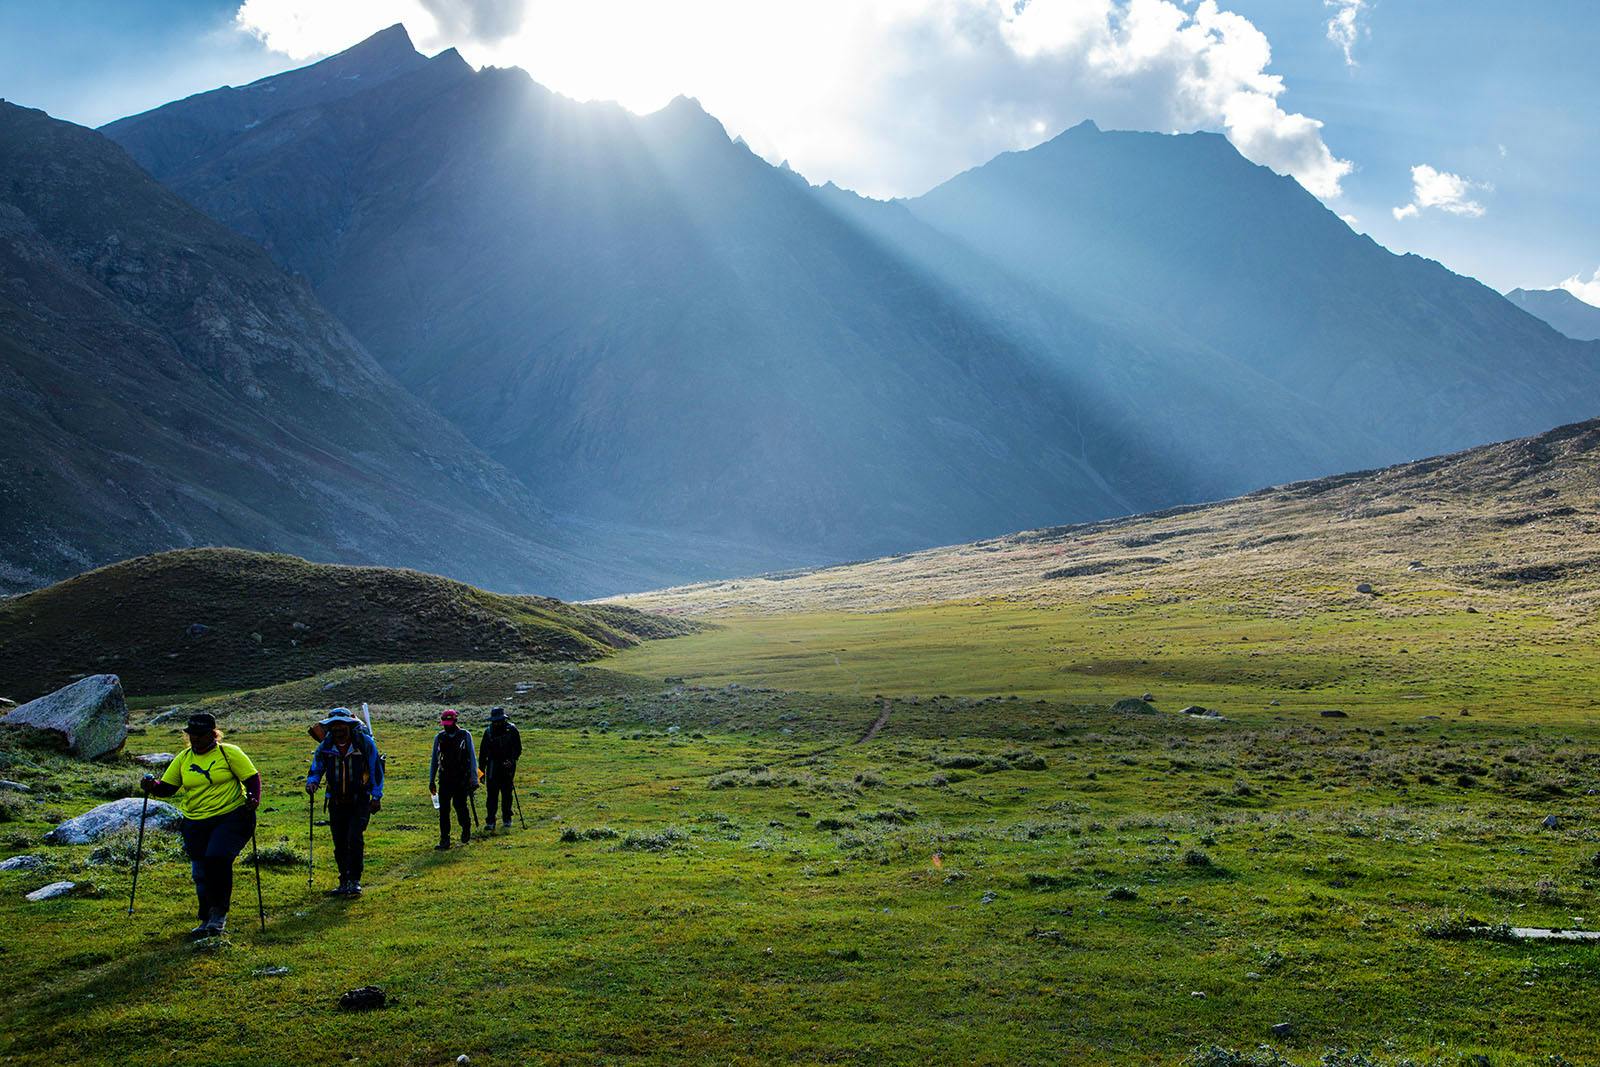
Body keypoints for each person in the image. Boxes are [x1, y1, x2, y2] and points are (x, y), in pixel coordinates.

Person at [139, 712, 261, 938]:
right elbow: (168, 788)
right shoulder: (184, 758)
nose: (195, 738)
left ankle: (218, 916)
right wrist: (151, 786)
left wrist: (253, 798)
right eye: (191, 734)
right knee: (200, 872)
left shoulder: (229, 753)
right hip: (195, 821)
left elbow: (252, 778)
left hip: (230, 816)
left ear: (213, 734)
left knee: (217, 858)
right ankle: (205, 918)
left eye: (201, 734)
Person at [305, 707, 384, 895]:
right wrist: (312, 783)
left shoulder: (364, 743)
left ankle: (354, 880)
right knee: (339, 842)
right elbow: (316, 768)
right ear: (330, 727)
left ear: (349, 725)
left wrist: (376, 796)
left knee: (354, 838)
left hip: (360, 800)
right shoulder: (325, 746)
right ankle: (344, 880)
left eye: (342, 724)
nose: (338, 729)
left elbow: (376, 770)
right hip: (336, 801)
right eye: (334, 725)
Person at [429, 709, 477, 849]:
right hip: (444, 779)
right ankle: (445, 840)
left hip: (461, 780)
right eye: (444, 723)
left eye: (448, 723)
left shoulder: (465, 735)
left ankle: (466, 827)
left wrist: (473, 780)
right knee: (444, 811)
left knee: (460, 806)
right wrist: (431, 780)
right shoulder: (439, 738)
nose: (446, 726)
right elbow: (434, 760)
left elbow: (472, 759)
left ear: (455, 721)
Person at [479, 706, 522, 832]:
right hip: (492, 766)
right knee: (491, 795)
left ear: (504, 719)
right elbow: (482, 754)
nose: (497, 723)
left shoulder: (512, 730)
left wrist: (512, 760)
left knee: (507, 793)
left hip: (508, 766)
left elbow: (518, 748)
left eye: (499, 720)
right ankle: (490, 821)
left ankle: (507, 819)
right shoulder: (488, 732)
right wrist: (481, 773)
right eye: (495, 721)